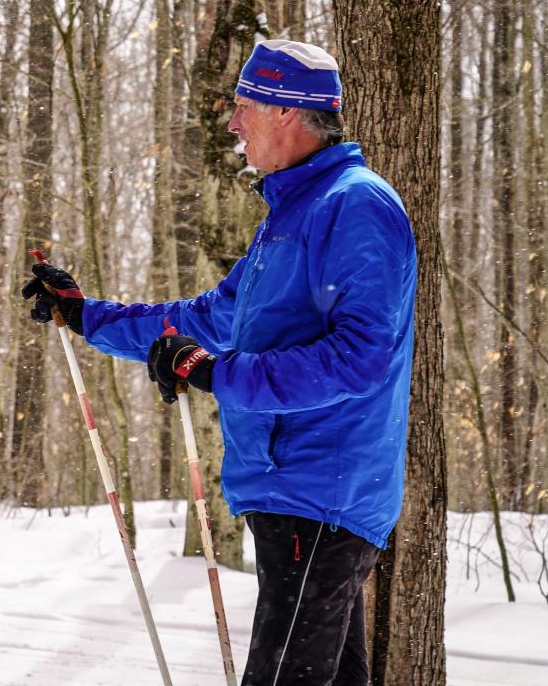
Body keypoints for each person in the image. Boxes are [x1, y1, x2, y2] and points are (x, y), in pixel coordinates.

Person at [22, 39, 417, 686]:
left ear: (287, 111)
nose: (232, 124)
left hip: (321, 492)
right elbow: (206, 319)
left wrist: (217, 373)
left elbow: (360, 360)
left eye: (243, 106)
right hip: (296, 496)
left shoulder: (355, 206)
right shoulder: (291, 217)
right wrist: (84, 314)